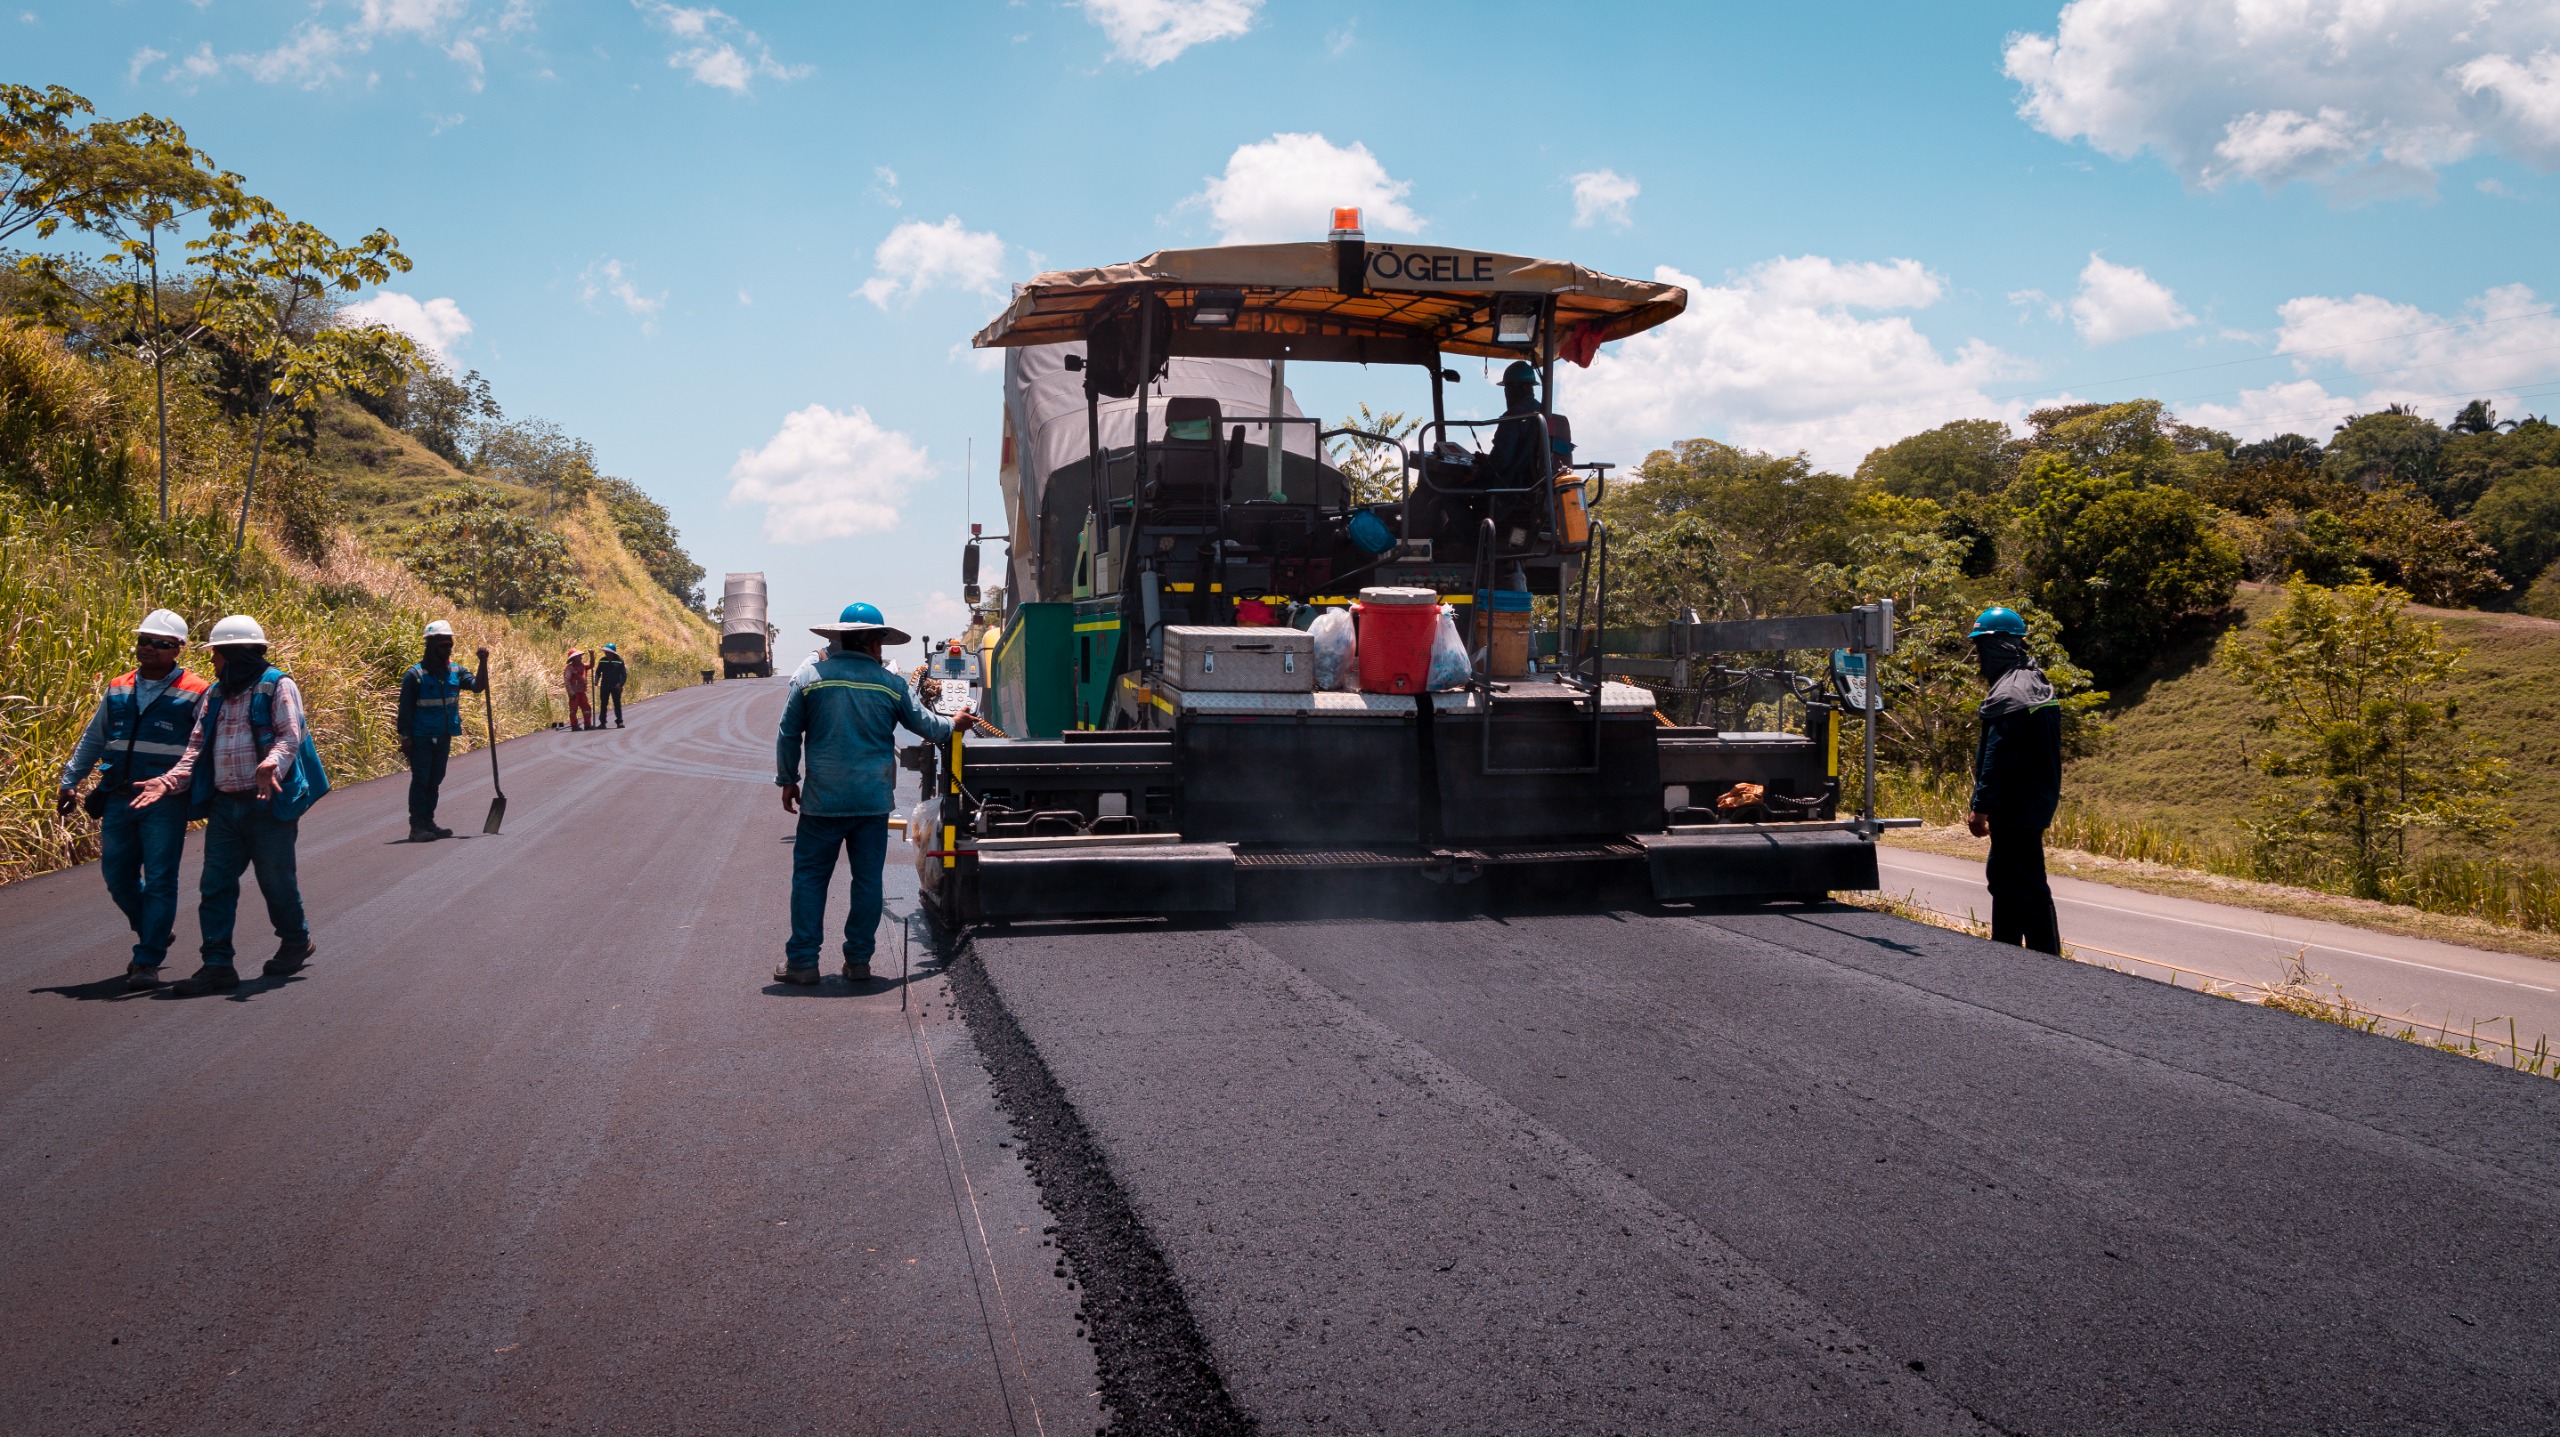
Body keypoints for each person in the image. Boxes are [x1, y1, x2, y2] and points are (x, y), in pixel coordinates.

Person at [773, 602, 978, 987]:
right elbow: (929, 727)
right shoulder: (891, 683)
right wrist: (956, 723)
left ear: (840, 637)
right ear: (873, 642)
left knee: (810, 879)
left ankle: (802, 962)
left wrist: (788, 779)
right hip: (871, 801)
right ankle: (859, 961)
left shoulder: (810, 677)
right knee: (867, 881)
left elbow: (788, 732)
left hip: (822, 801)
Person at [132, 614, 322, 996]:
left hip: (267, 806)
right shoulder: (216, 695)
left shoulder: (276, 686)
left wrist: (271, 764)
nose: (213, 663)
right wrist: (167, 781)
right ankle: (217, 963)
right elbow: (195, 751)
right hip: (225, 807)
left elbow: (290, 736)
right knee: (215, 885)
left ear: (236, 654)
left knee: (275, 881)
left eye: (217, 655)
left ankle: (295, 940)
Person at [55, 609, 212, 990]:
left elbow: (202, 747)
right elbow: (95, 736)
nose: (149, 648)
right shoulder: (120, 685)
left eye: (161, 643)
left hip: (164, 800)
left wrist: (181, 786)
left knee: (160, 879)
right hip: (117, 796)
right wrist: (70, 780)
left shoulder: (197, 690)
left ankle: (147, 959)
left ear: (179, 648)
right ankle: (152, 927)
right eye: (145, 640)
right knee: (117, 876)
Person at [1964, 606, 2064, 956]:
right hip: (2034, 801)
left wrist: (1981, 808)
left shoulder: (2011, 694)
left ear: (1999, 646)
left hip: (2016, 806)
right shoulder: (2033, 680)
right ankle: (2008, 952)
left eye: (1982, 648)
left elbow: (1998, 759)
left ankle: (2043, 960)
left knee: (2024, 883)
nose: (1980, 656)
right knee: (2008, 879)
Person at [395, 619, 489, 841]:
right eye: (443, 645)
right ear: (431, 646)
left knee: (436, 779)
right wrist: (405, 738)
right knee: (421, 780)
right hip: (421, 738)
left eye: (450, 645)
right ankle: (416, 826)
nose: (447, 649)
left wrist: (483, 663)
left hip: (444, 734)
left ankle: (429, 822)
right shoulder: (415, 676)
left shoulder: (455, 670)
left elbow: (478, 687)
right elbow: (405, 710)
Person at [594, 642, 627, 728]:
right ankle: (602, 722)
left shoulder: (619, 661)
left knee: (617, 703)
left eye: (608, 652)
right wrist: (596, 680)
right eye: (605, 651)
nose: (606, 653)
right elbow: (598, 671)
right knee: (603, 703)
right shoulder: (602, 660)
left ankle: (619, 722)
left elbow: (624, 675)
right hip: (605, 685)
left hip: (615, 685)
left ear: (612, 652)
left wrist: (620, 684)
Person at [563, 646, 594, 731]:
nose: (580, 657)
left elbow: (591, 665)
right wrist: (570, 691)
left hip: (582, 692)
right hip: (574, 693)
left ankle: (587, 724)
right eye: (578, 656)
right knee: (573, 709)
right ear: (574, 658)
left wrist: (592, 655)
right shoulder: (570, 668)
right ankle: (574, 725)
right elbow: (567, 680)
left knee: (587, 708)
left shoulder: (582, 665)